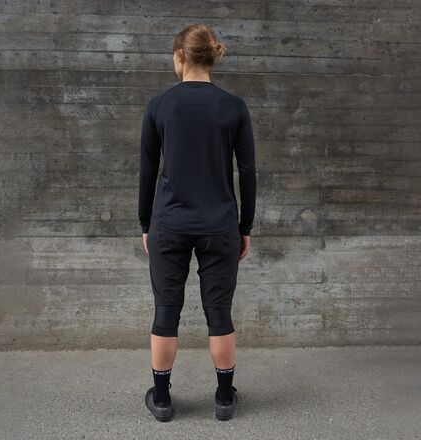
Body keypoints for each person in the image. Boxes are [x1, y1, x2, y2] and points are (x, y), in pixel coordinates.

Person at [138, 23, 257, 422]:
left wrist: (145, 224)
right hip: (220, 225)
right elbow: (248, 172)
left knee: (166, 310)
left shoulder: (160, 105)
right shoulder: (233, 107)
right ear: (210, 57)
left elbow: (147, 171)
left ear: (180, 57)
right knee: (219, 311)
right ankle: (224, 398)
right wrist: (245, 227)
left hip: (169, 223)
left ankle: (162, 399)